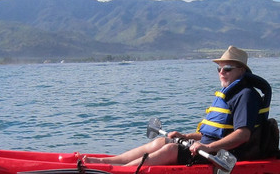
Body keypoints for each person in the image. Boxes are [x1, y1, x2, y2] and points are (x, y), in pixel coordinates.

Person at [92, 46, 270, 166]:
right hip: (207, 148)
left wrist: (208, 148)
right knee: (163, 141)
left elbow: (242, 135)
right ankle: (111, 163)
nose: (222, 72)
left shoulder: (245, 95)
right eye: (219, 69)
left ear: (242, 71)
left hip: (224, 155)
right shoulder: (229, 93)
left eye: (228, 68)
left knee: (171, 149)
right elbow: (213, 132)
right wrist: (186, 136)